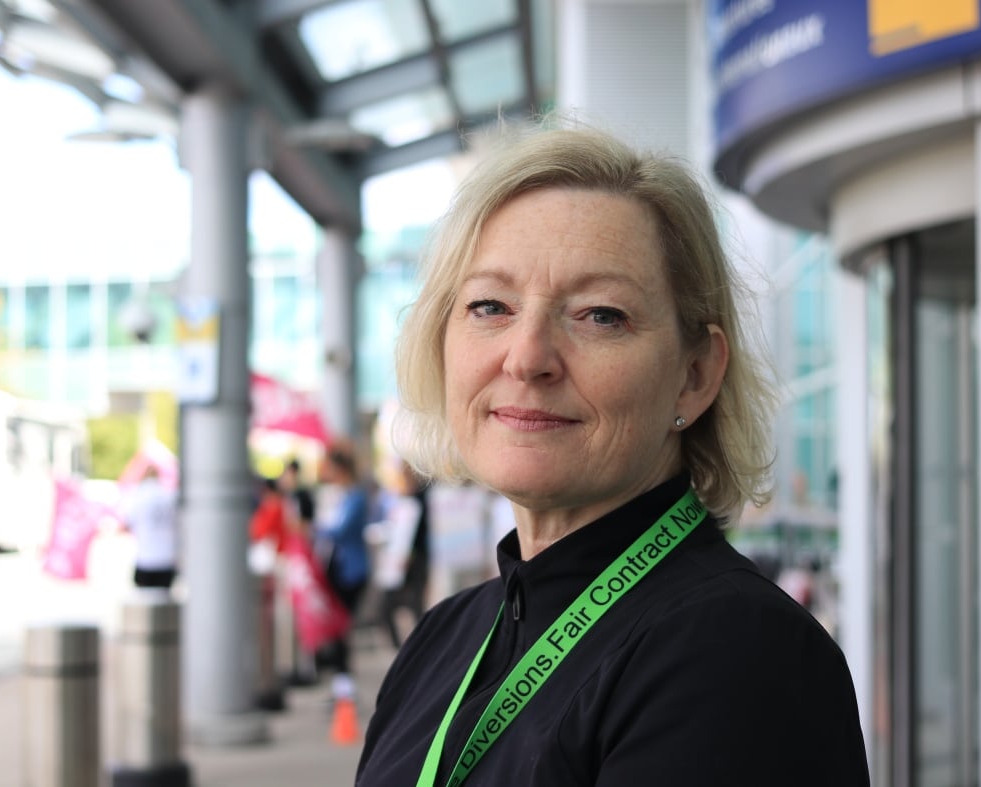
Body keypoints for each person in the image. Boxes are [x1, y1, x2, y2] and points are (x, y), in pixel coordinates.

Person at [356, 125, 869, 786]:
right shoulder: (445, 638)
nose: (528, 357)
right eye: (490, 305)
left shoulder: (735, 652)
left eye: (600, 315)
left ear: (694, 374)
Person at [315, 439, 371, 703]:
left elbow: (340, 530)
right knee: (336, 627)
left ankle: (344, 682)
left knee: (341, 626)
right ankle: (341, 681)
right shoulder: (335, 496)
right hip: (335, 569)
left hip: (350, 571)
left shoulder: (354, 498)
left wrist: (315, 528)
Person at [373, 461, 430, 649]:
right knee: (387, 607)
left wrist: (411, 555)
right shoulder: (398, 500)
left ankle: (421, 648)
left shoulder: (421, 499)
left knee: (415, 607)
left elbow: (422, 534)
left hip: (414, 562)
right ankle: (402, 649)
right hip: (396, 562)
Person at [119, 463, 179, 590]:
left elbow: (125, 524)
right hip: (167, 559)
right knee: (164, 601)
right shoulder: (168, 495)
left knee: (146, 602)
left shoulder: (137, 496)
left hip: (146, 558)